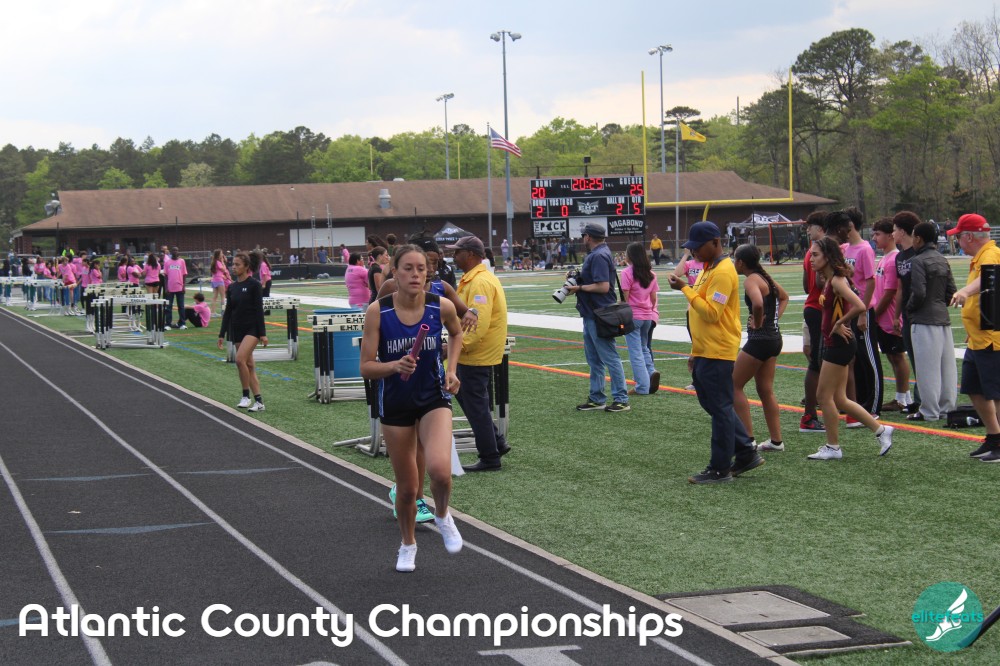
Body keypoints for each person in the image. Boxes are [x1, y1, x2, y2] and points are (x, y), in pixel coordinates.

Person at [360, 244, 465, 572]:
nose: (416, 274)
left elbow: (457, 333)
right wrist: (394, 366)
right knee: (407, 490)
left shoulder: (440, 305)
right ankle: (408, 544)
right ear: (394, 271)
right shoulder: (378, 312)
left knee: (440, 472)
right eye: (408, 268)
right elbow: (366, 367)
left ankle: (443, 515)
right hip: (395, 402)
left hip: (433, 397)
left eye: (421, 268)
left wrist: (452, 369)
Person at [666, 221, 764, 483]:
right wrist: (695, 350)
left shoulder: (721, 271)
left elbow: (711, 313)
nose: (694, 252)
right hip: (706, 349)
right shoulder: (709, 268)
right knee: (713, 404)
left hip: (718, 350)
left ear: (715, 243)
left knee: (720, 408)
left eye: (697, 247)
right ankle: (746, 452)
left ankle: (719, 468)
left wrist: (684, 288)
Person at [806, 237, 895, 460]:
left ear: (827, 256)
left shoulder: (837, 281)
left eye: (815, 255)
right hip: (837, 344)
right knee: (840, 399)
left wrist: (839, 323)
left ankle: (833, 447)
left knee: (823, 396)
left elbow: (860, 305)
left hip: (838, 345)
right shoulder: (830, 279)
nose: (811, 259)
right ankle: (881, 430)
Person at [447, 235, 510, 472]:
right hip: (474, 352)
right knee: (470, 400)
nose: (454, 256)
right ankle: (497, 443)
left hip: (475, 354)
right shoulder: (475, 279)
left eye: (457, 252)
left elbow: (477, 324)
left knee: (476, 406)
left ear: (471, 254)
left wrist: (458, 346)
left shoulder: (480, 282)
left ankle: (490, 456)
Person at [948, 214, 1000, 461]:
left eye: (958, 236)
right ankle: (994, 436)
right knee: (974, 388)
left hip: (991, 338)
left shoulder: (990, 254)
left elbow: (988, 278)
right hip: (977, 337)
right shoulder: (981, 256)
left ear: (969, 236)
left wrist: (965, 291)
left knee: (995, 392)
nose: (957, 241)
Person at [566, 223, 630, 413]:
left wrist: (579, 288)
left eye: (583, 236)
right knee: (594, 359)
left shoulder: (599, 255)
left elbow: (603, 286)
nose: (582, 239)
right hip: (592, 313)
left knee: (610, 357)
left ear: (588, 237)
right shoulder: (599, 253)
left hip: (599, 313)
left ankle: (621, 399)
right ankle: (597, 397)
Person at [732, 243, 789, 451]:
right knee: (765, 390)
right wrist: (772, 320)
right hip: (774, 339)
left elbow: (757, 303)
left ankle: (748, 440)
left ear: (741, 262)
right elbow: (784, 297)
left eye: (734, 259)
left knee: (733, 385)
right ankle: (776, 441)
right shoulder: (766, 278)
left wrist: (757, 323)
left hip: (760, 341)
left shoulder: (751, 280)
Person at [905, 221, 957, 422]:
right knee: (947, 368)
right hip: (943, 318)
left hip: (924, 319)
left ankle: (929, 410)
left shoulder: (918, 260)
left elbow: (919, 292)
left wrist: (909, 308)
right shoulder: (942, 259)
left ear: (918, 239)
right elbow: (951, 292)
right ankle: (947, 408)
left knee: (927, 369)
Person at [217, 252, 269, 413]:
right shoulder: (232, 287)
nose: (234, 267)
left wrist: (262, 333)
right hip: (237, 329)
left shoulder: (254, 285)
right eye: (233, 264)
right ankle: (259, 402)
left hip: (252, 329)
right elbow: (228, 312)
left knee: (240, 360)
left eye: (237, 264)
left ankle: (246, 396)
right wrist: (221, 334)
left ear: (246, 267)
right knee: (249, 365)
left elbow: (259, 311)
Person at [870, 218, 910, 413]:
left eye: (878, 234)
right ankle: (904, 397)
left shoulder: (894, 259)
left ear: (889, 235)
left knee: (898, 356)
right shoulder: (885, 258)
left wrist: (874, 314)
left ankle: (902, 398)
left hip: (890, 317)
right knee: (892, 357)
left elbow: (890, 293)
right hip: (883, 318)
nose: (874, 238)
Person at [800, 212, 827, 433]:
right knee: (818, 363)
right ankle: (809, 415)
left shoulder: (810, 251)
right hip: (819, 308)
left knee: (823, 361)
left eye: (811, 226)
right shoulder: (823, 249)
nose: (808, 230)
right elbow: (818, 282)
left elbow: (806, 285)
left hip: (814, 307)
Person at [621, 242, 660, 396]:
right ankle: (651, 371)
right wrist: (648, 310)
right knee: (644, 348)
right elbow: (653, 298)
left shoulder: (627, 273)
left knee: (635, 352)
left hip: (633, 316)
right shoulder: (651, 274)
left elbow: (625, 298)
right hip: (647, 316)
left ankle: (642, 386)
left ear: (630, 255)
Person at [892, 211, 920, 413]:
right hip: (907, 314)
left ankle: (922, 399)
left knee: (923, 358)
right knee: (913, 355)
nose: (893, 234)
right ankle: (918, 399)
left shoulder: (919, 254)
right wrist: (896, 315)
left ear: (902, 231)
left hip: (921, 314)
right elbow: (901, 288)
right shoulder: (900, 256)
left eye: (894, 230)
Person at [163, 246, 188, 330]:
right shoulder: (167, 262)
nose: (175, 252)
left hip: (180, 287)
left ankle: (182, 323)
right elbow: (166, 276)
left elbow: (184, 274)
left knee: (181, 306)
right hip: (170, 288)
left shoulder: (182, 261)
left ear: (178, 252)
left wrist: (184, 286)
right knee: (168, 307)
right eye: (173, 250)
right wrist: (166, 287)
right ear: (171, 252)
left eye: (176, 250)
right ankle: (168, 324)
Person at [210, 249, 230, 314]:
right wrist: (223, 262)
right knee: (223, 296)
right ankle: (223, 311)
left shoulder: (214, 261)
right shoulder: (218, 262)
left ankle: (213, 312)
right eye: (221, 253)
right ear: (218, 255)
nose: (222, 254)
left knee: (214, 297)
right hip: (219, 280)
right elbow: (224, 269)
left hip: (214, 280)